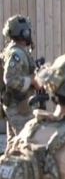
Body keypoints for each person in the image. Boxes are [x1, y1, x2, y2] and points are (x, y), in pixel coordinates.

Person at [1, 15, 37, 143]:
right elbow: (10, 79)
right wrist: (32, 81)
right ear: (24, 32)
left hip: (17, 105)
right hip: (18, 107)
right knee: (27, 143)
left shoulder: (17, 51)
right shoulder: (16, 53)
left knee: (14, 144)